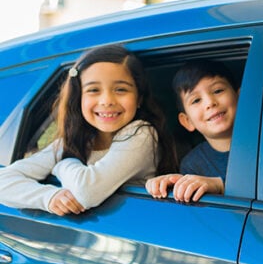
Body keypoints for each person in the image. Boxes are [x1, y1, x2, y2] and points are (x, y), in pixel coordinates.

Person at [0, 44, 176, 215]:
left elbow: (87, 192)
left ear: (139, 99)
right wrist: (49, 196)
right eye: (93, 90)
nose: (107, 100)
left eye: (121, 89)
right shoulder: (69, 143)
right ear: (78, 99)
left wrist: (62, 165)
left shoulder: (141, 133)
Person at [145, 59, 238, 202]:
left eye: (218, 91)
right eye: (196, 100)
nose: (210, 103)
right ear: (187, 121)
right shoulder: (193, 164)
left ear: (240, 96)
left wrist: (219, 185)